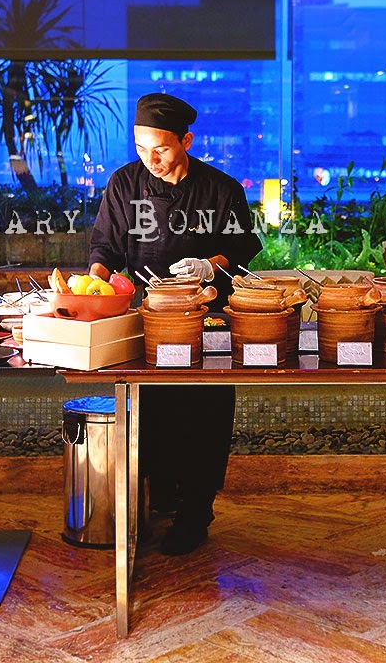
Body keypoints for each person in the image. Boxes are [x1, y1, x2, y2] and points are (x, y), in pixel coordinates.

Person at [88, 92, 262, 555]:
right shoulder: (125, 184)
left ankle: (196, 512)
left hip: (207, 321)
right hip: (150, 318)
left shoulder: (221, 189)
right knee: (152, 411)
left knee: (204, 415)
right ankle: (159, 498)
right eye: (141, 148)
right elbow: (105, 248)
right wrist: (92, 287)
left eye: (161, 149)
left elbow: (244, 248)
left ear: (186, 140)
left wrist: (209, 265)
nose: (151, 160)